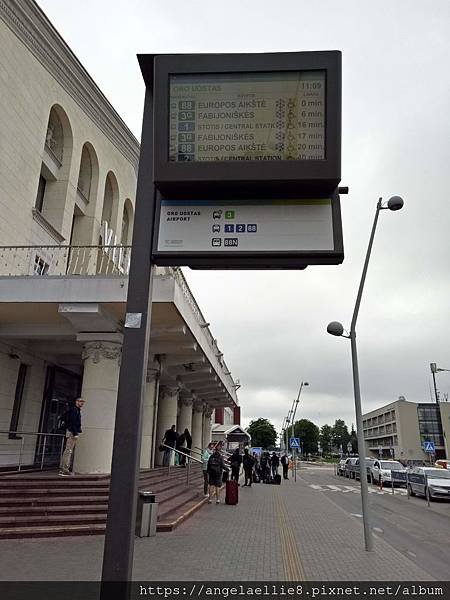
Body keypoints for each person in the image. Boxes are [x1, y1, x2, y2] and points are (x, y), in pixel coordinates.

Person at [59, 397, 84, 476]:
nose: (82, 403)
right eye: (80, 401)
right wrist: (75, 433)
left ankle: (63, 468)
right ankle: (65, 469)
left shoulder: (75, 410)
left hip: (71, 431)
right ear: (76, 402)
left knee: (68, 450)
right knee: (68, 451)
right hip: (72, 432)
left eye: (83, 401)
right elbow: (73, 422)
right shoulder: (74, 410)